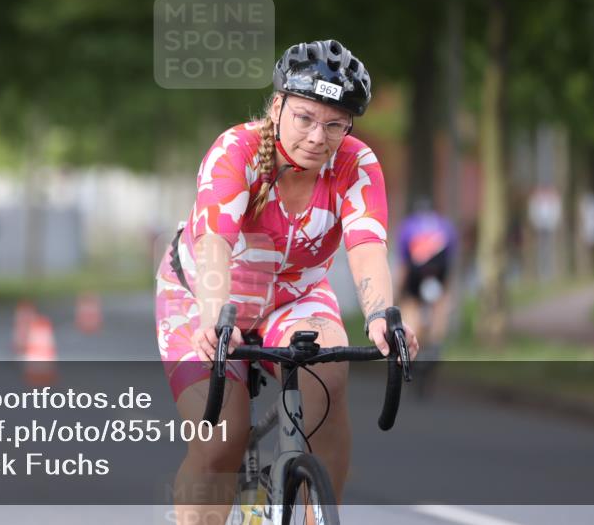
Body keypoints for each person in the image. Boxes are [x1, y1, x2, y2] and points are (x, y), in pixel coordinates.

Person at [156, 40, 419, 521]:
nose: (319, 137)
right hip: (203, 293)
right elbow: (214, 242)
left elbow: (366, 246)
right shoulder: (235, 151)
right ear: (277, 106)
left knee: (329, 375)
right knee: (222, 442)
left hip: (295, 296)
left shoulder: (356, 166)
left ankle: (317, 510)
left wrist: (382, 314)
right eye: (305, 118)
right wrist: (216, 316)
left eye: (335, 124)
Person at [394, 198, 458, 365]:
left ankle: (412, 340)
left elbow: (403, 264)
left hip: (415, 273)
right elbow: (450, 261)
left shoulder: (408, 225)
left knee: (411, 305)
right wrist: (448, 292)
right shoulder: (445, 225)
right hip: (438, 272)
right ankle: (436, 342)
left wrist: (399, 292)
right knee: (440, 305)